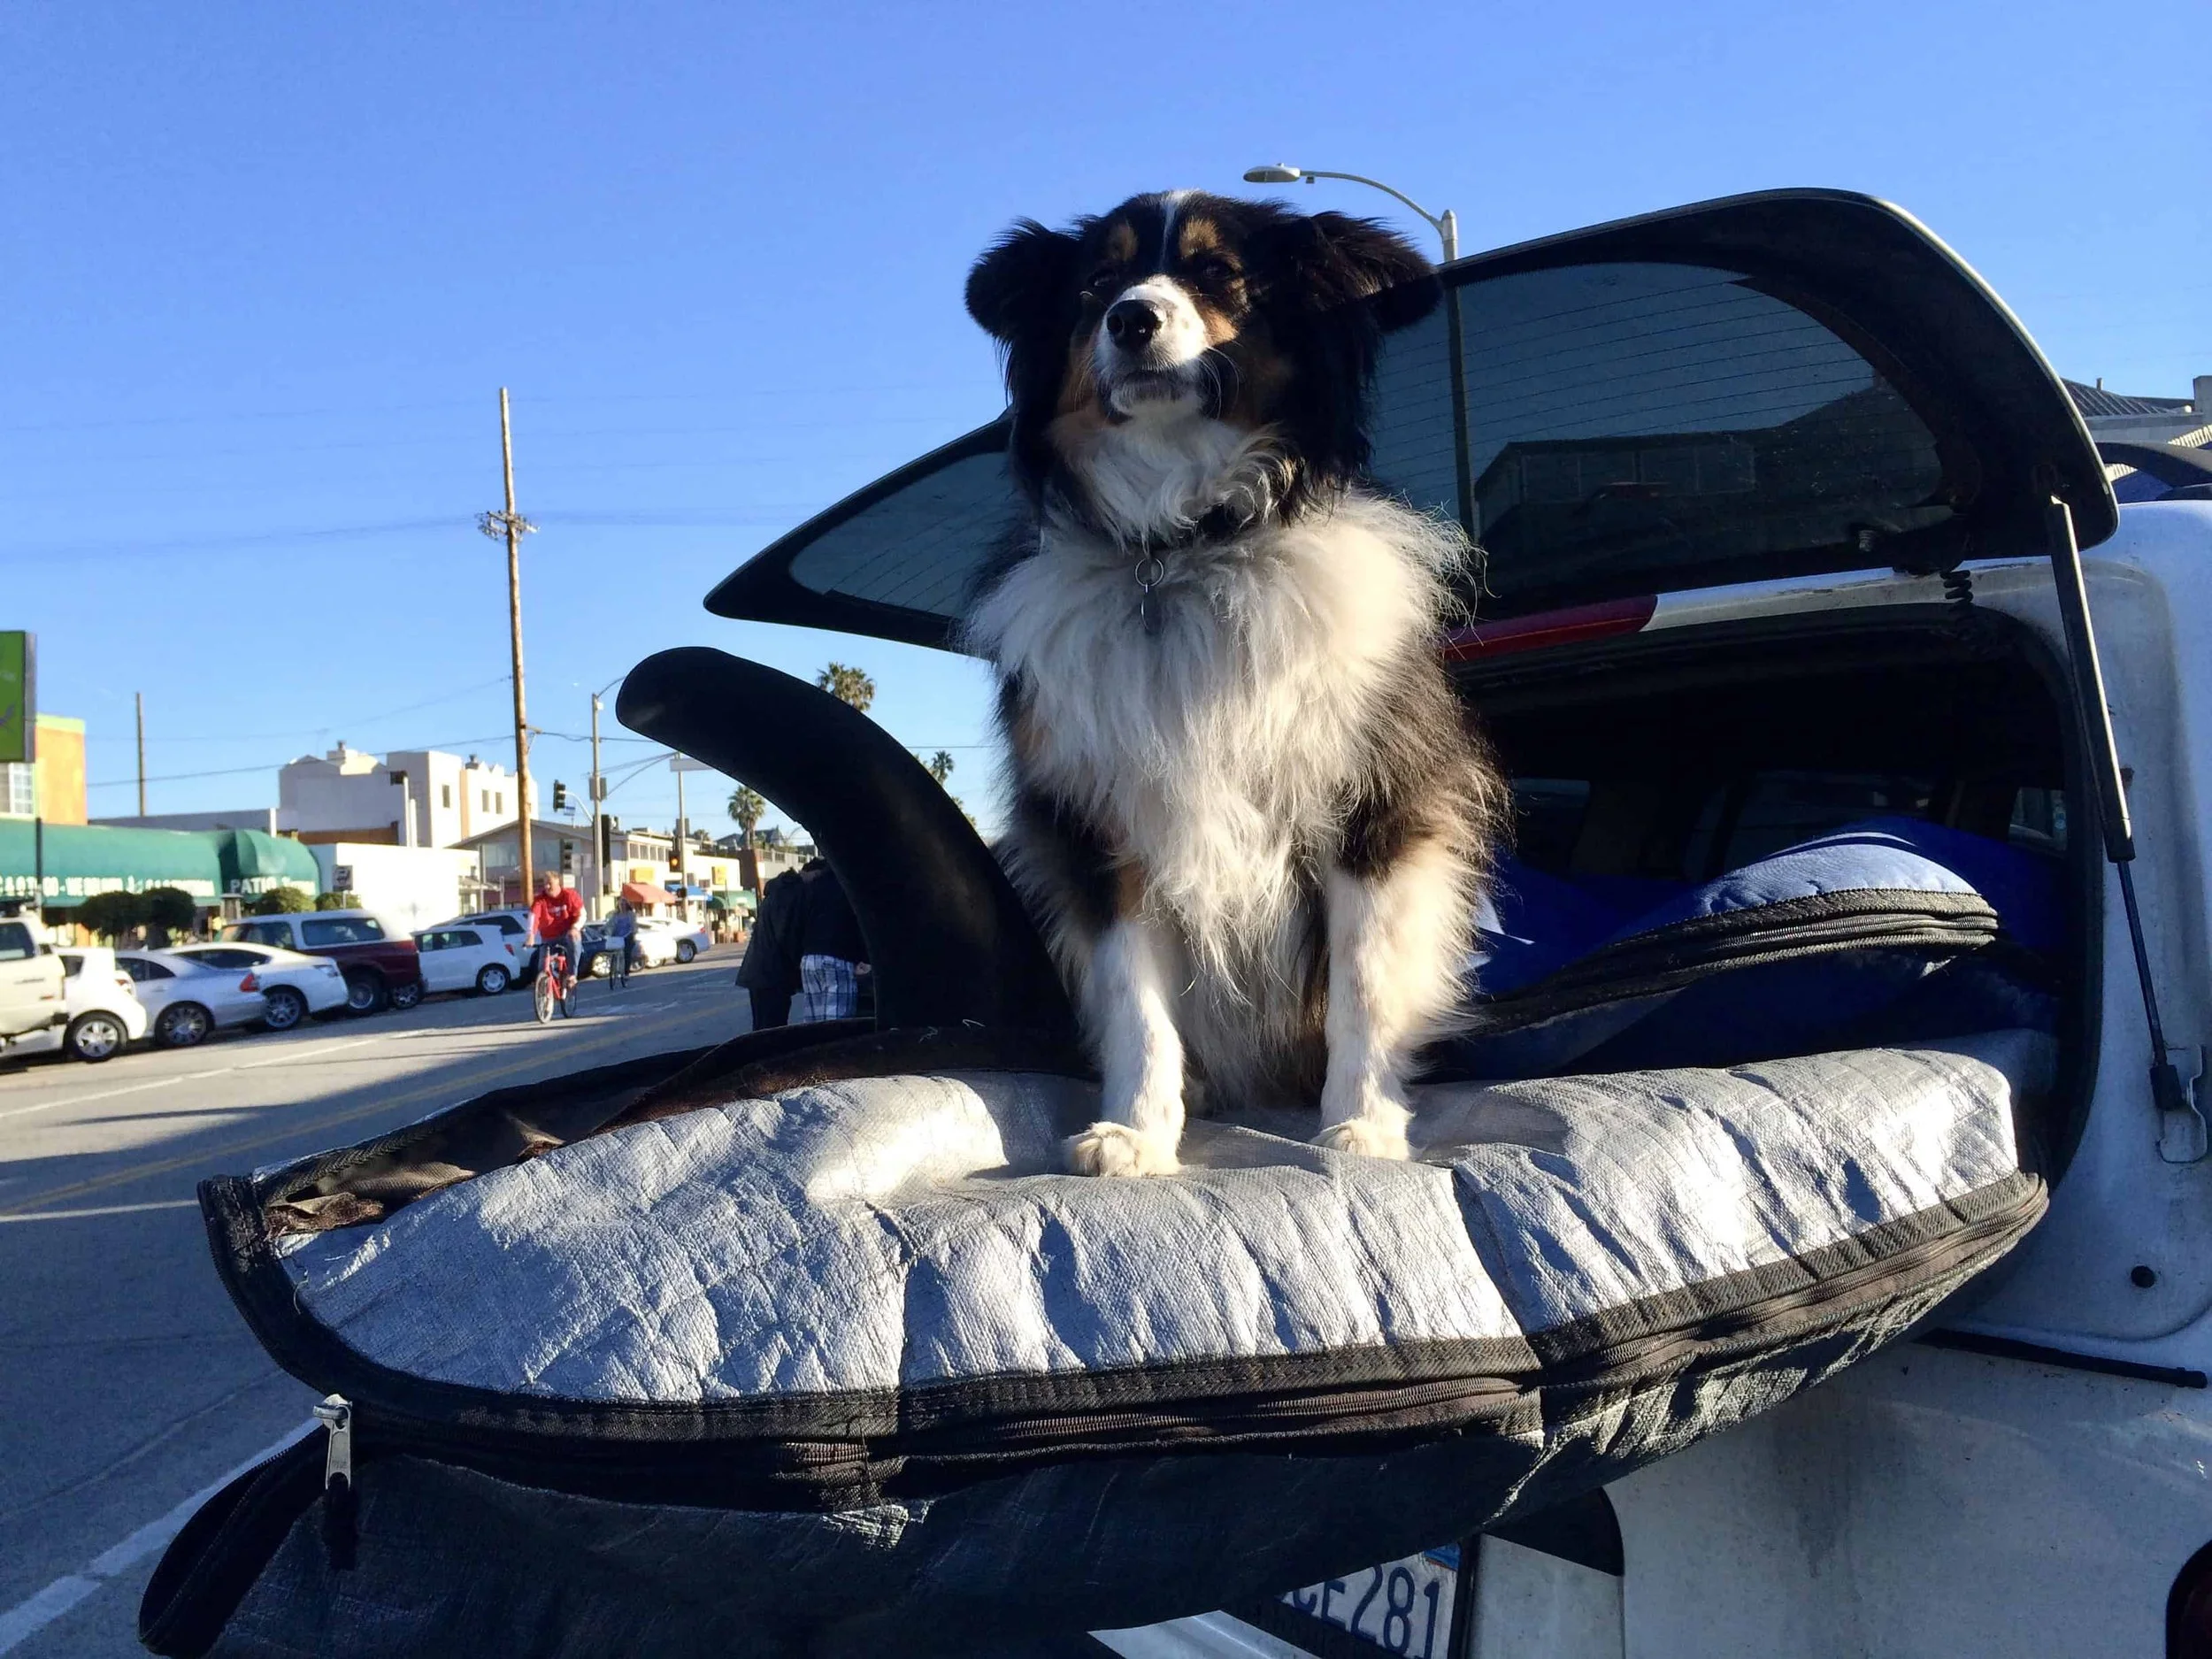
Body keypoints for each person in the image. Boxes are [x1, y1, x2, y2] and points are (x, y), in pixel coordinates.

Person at [791, 857, 868, 1023]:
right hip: (838, 957)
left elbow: (798, 924)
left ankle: (814, 1048)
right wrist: (862, 958)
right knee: (838, 1023)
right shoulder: (850, 886)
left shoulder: (812, 888)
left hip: (809, 959)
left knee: (814, 1022)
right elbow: (860, 923)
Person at [735, 870, 804, 1030]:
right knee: (772, 1028)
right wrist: (798, 961)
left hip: (761, 970)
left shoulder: (775, 893)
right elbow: (786, 935)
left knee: (762, 1025)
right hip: (773, 972)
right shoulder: (788, 896)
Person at [526, 870, 585, 1002]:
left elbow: (582, 913)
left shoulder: (569, 895)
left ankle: (572, 975)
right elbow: (533, 917)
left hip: (567, 934)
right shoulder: (540, 900)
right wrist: (530, 935)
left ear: (558, 883)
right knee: (542, 965)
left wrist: (575, 928)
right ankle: (544, 993)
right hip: (549, 937)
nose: (547, 887)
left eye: (550, 883)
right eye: (545, 884)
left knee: (574, 940)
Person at [604, 897, 637, 987]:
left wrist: (633, 931)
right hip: (617, 936)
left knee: (627, 954)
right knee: (613, 951)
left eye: (623, 904)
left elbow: (634, 925)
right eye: (620, 904)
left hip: (627, 936)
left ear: (626, 905)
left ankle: (626, 973)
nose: (622, 906)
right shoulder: (616, 915)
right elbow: (609, 924)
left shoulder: (631, 914)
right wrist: (603, 929)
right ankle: (613, 968)